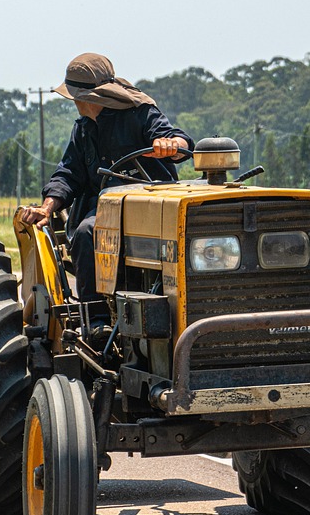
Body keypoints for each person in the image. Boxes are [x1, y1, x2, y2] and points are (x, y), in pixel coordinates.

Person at [21, 53, 194, 320]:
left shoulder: (140, 113)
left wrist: (170, 145)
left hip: (151, 208)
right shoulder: (82, 130)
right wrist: (47, 208)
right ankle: (97, 321)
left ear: (85, 97)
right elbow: (67, 175)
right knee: (86, 232)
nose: (74, 101)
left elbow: (179, 141)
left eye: (75, 96)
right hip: (105, 211)